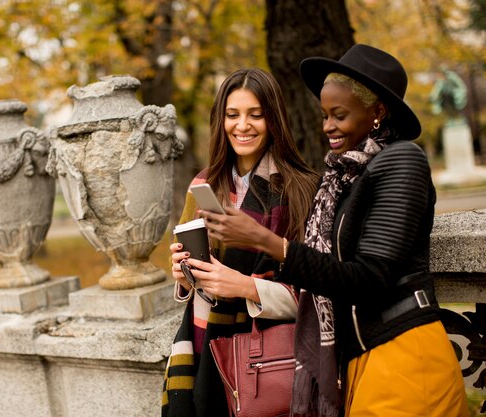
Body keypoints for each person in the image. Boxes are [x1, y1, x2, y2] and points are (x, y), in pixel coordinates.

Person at [193, 44, 470, 416]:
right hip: (359, 357)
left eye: (338, 115)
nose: (327, 127)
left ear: (378, 113)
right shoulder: (344, 177)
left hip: (403, 350)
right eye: (324, 115)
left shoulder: (403, 161)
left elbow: (371, 276)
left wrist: (266, 242)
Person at [161, 67, 319, 417]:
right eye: (232, 115)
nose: (242, 125)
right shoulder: (203, 185)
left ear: (273, 119)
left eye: (255, 115)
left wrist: (246, 287)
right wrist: (185, 275)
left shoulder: (302, 190)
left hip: (271, 355)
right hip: (204, 343)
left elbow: (317, 294)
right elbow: (194, 280)